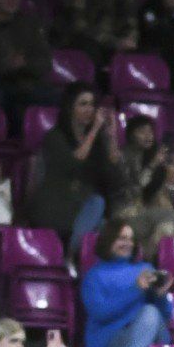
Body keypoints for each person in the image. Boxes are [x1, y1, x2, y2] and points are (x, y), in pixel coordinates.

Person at [80, 218, 172, 347]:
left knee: (152, 313)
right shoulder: (95, 276)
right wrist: (135, 289)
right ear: (108, 240)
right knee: (148, 343)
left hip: (144, 336)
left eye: (131, 239)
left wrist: (161, 295)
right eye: (122, 238)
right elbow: (101, 313)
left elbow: (166, 315)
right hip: (112, 337)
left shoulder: (145, 269)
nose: (128, 243)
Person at [24, 84, 122, 252]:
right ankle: (71, 255)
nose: (89, 109)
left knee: (111, 230)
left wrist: (111, 137)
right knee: (98, 206)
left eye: (92, 104)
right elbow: (72, 164)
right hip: (55, 205)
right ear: (70, 108)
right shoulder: (54, 137)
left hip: (83, 207)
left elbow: (115, 177)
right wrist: (95, 130)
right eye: (83, 104)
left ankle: (74, 259)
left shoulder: (97, 142)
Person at [111, 115, 174, 252]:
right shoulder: (123, 157)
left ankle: (164, 262)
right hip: (124, 215)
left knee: (172, 222)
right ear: (131, 135)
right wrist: (153, 165)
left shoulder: (152, 157)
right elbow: (133, 191)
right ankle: (155, 261)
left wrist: (172, 181)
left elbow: (167, 199)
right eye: (142, 131)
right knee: (170, 218)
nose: (148, 135)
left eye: (150, 131)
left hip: (145, 214)